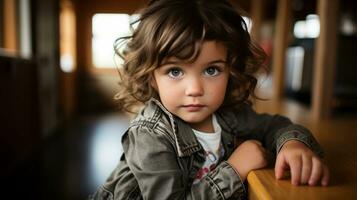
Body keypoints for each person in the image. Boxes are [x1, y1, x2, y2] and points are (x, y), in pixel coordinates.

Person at [91, 0, 329, 199]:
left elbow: (277, 126)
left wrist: (293, 144)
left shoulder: (228, 116)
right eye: (175, 71)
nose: (194, 89)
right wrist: (235, 169)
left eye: (211, 70)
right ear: (152, 77)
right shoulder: (149, 136)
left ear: (230, 70)